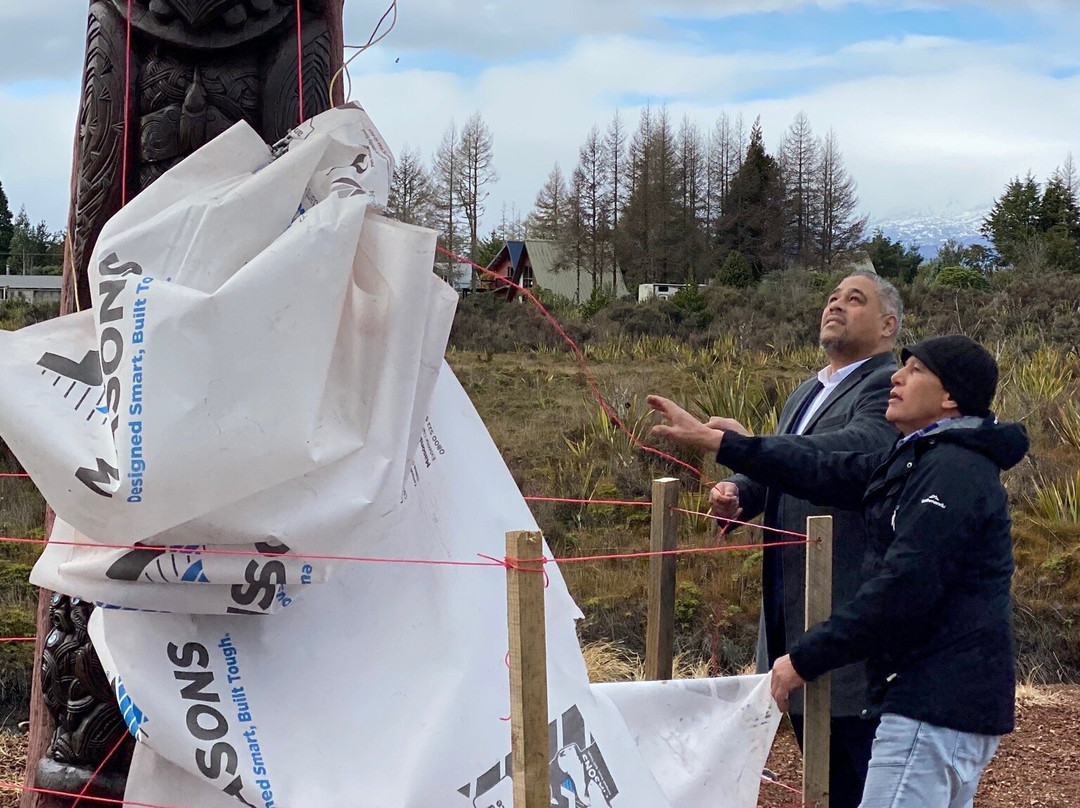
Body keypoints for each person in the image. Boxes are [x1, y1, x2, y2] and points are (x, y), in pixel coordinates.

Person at [648, 334, 1028, 808]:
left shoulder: (951, 468)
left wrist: (804, 658)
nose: (897, 376)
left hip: (932, 701)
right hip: (933, 702)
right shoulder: (921, 457)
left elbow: (902, 588)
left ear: (949, 397)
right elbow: (824, 468)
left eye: (915, 371)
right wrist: (726, 444)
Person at [712, 270, 903, 808]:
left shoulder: (887, 391)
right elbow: (787, 468)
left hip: (850, 626)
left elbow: (848, 457)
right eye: (832, 297)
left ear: (888, 326)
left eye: (855, 299)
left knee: (855, 778)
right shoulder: (807, 390)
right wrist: (741, 494)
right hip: (793, 617)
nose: (836, 305)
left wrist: (740, 446)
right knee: (822, 768)